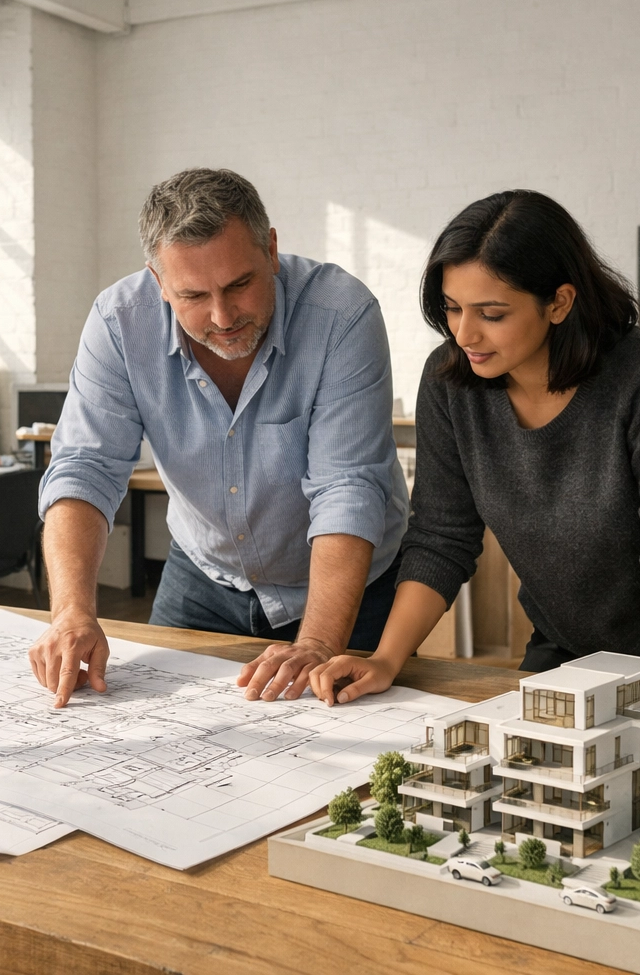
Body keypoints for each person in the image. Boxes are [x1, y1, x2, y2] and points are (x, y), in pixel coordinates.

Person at [310, 189, 640, 707]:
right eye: (453, 308)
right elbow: (440, 537)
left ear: (560, 302)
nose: (465, 333)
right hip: (572, 647)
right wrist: (386, 659)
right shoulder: (451, 382)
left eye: (491, 314)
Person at [29, 168, 408, 707]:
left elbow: (347, 488)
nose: (223, 316)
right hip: (204, 577)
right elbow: (84, 469)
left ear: (271, 250)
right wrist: (71, 612)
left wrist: (320, 642)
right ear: (158, 282)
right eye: (192, 295)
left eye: (239, 285)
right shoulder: (118, 323)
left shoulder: (342, 315)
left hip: (352, 588)